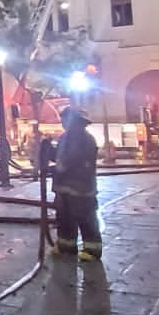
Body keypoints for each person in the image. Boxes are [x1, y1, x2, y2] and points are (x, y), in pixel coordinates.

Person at [52, 107, 102, 261]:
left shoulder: (85, 139)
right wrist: (48, 152)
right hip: (64, 188)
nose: (63, 123)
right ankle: (66, 246)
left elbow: (73, 160)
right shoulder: (65, 138)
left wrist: (62, 166)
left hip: (81, 188)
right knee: (64, 219)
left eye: (65, 119)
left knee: (85, 218)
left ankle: (92, 249)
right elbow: (59, 157)